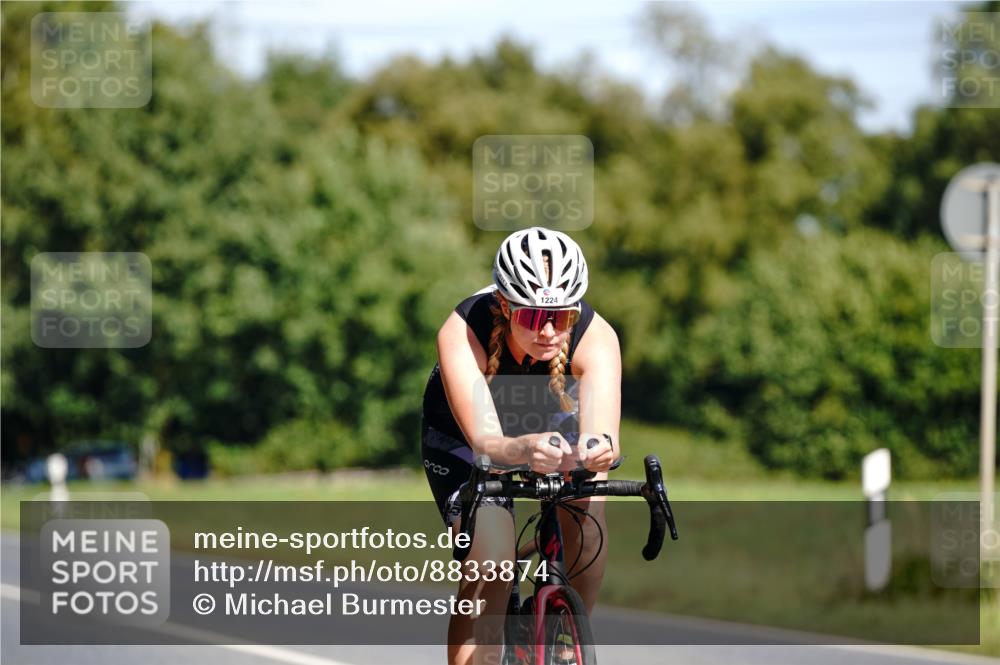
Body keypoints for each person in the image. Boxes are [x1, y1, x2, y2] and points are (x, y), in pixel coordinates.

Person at [421, 226, 622, 665]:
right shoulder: (462, 330)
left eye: (563, 316)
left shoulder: (596, 336)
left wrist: (596, 449)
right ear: (504, 305)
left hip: (550, 422)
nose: (550, 331)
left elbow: (603, 434)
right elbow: (487, 443)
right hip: (467, 433)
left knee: (590, 519)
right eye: (533, 317)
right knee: (493, 562)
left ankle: (567, 643)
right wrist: (526, 448)